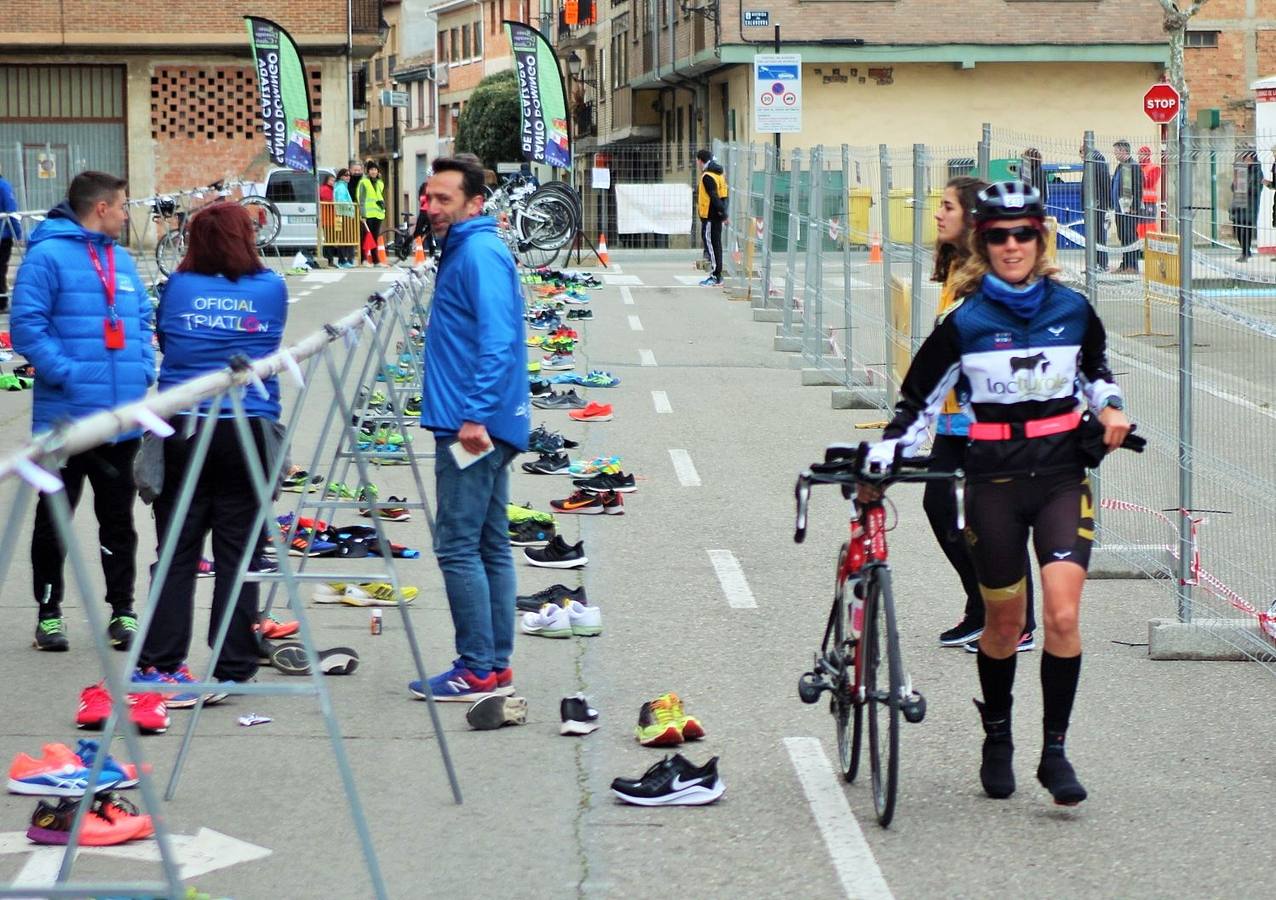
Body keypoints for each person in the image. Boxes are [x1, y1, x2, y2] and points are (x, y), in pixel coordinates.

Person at [867, 181, 1131, 806]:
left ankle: (1055, 752)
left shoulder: (1073, 308)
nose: (1012, 245)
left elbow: (1096, 371)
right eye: (998, 235)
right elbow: (915, 408)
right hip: (992, 483)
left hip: (1063, 476)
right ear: (984, 244)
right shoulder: (965, 323)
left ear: (1041, 239)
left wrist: (1113, 407)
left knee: (1063, 615)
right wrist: (882, 456)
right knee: (1005, 622)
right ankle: (998, 736)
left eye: (1024, 234)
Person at [136, 202, 287, 698]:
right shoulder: (271, 289)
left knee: (177, 549)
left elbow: (167, 340)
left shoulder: (178, 287)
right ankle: (234, 663)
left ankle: (160, 663)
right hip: (248, 428)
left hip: (184, 424)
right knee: (238, 551)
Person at [11, 171, 157, 652]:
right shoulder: (47, 256)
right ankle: (48, 614)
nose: (125, 213)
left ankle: (122, 612)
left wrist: (141, 368)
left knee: (118, 520)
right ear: (100, 208)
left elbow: (140, 320)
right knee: (54, 518)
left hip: (119, 420)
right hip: (64, 420)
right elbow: (27, 327)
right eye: (122, 205)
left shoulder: (122, 260)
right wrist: (71, 374)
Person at [409, 156, 529, 702]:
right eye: (428, 198)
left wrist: (475, 415)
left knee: (457, 545)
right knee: (488, 543)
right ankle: (494, 665)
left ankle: (477, 667)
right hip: (479, 419)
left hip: (472, 425)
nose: (430, 208)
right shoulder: (465, 249)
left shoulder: (478, 252)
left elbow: (499, 339)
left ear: (475, 204)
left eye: (443, 200)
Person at [928, 176, 1037, 653]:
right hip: (954, 416)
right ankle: (981, 607)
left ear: (971, 217)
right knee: (940, 507)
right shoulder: (956, 268)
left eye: (947, 206)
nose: (938, 214)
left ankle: (1019, 623)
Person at [695, 149, 728, 287]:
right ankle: (717, 275)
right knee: (716, 245)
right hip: (716, 216)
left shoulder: (708, 176)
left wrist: (723, 214)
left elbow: (714, 197)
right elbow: (724, 196)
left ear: (701, 160)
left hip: (710, 216)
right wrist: (723, 212)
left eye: (697, 160)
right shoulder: (719, 174)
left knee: (712, 245)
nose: (697, 163)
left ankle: (715, 275)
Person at [1110, 141, 1144, 274]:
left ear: (1124, 151)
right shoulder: (1120, 166)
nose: (1115, 154)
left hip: (1129, 210)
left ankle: (1132, 266)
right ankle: (1125, 264)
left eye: (1117, 151)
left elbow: (1138, 188)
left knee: (1130, 237)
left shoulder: (1133, 166)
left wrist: (1134, 207)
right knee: (1123, 237)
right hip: (1120, 210)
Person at [1079, 143, 1111, 273]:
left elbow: (1104, 182)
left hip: (1097, 205)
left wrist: (1106, 203)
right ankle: (1093, 263)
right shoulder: (1090, 160)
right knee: (1092, 235)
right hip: (1091, 205)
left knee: (1099, 235)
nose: (1081, 158)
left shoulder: (1097, 159)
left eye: (1081, 154)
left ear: (1084, 152)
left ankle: (1102, 264)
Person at [1230, 146, 1262, 262]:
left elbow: (1256, 188)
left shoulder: (1257, 172)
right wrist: (1235, 183)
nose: (1246, 161)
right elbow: (1233, 187)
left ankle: (1245, 252)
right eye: (1245, 159)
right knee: (1238, 228)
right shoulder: (1241, 171)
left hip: (1250, 206)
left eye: (1248, 159)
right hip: (1239, 203)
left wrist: (1244, 187)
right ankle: (1244, 251)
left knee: (1245, 229)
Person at [357, 162, 387, 265]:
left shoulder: (380, 183)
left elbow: (379, 196)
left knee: (374, 237)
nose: (374, 171)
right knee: (365, 237)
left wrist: (382, 206)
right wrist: (363, 214)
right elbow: (361, 199)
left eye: (375, 169)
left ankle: (375, 260)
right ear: (368, 171)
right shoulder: (364, 182)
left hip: (378, 214)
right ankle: (363, 259)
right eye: (371, 170)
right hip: (367, 215)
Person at [0, 165, 21, 312]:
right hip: (3, 235)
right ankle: (1, 302)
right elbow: (11, 209)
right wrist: (17, 232)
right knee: (1, 268)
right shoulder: (3, 186)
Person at [333, 168, 357, 268]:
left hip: (343, 215)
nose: (348, 177)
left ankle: (346, 260)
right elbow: (342, 200)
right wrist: (351, 207)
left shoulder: (341, 186)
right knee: (345, 238)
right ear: (341, 176)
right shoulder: (341, 187)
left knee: (345, 238)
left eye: (349, 175)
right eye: (346, 175)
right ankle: (343, 261)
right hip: (343, 215)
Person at [1137, 145, 1161, 239]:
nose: (1139, 156)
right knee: (1140, 225)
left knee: (1149, 225)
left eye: (1141, 154)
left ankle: (1151, 245)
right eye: (1139, 154)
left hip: (1149, 202)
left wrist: (1138, 177)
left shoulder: (1154, 168)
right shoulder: (1138, 167)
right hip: (1139, 202)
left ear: (1147, 155)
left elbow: (1149, 183)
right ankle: (1141, 245)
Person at [410, 179, 438, 256]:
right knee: (418, 231)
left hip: (431, 212)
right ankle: (416, 248)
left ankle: (432, 251)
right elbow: (420, 198)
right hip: (423, 212)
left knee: (429, 232)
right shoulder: (424, 186)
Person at [318, 172, 337, 268]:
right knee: (329, 240)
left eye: (334, 180)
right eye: (331, 180)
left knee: (330, 240)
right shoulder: (325, 189)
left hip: (331, 218)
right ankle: (329, 260)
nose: (333, 182)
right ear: (327, 180)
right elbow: (330, 200)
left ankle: (329, 259)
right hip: (327, 218)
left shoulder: (330, 189)